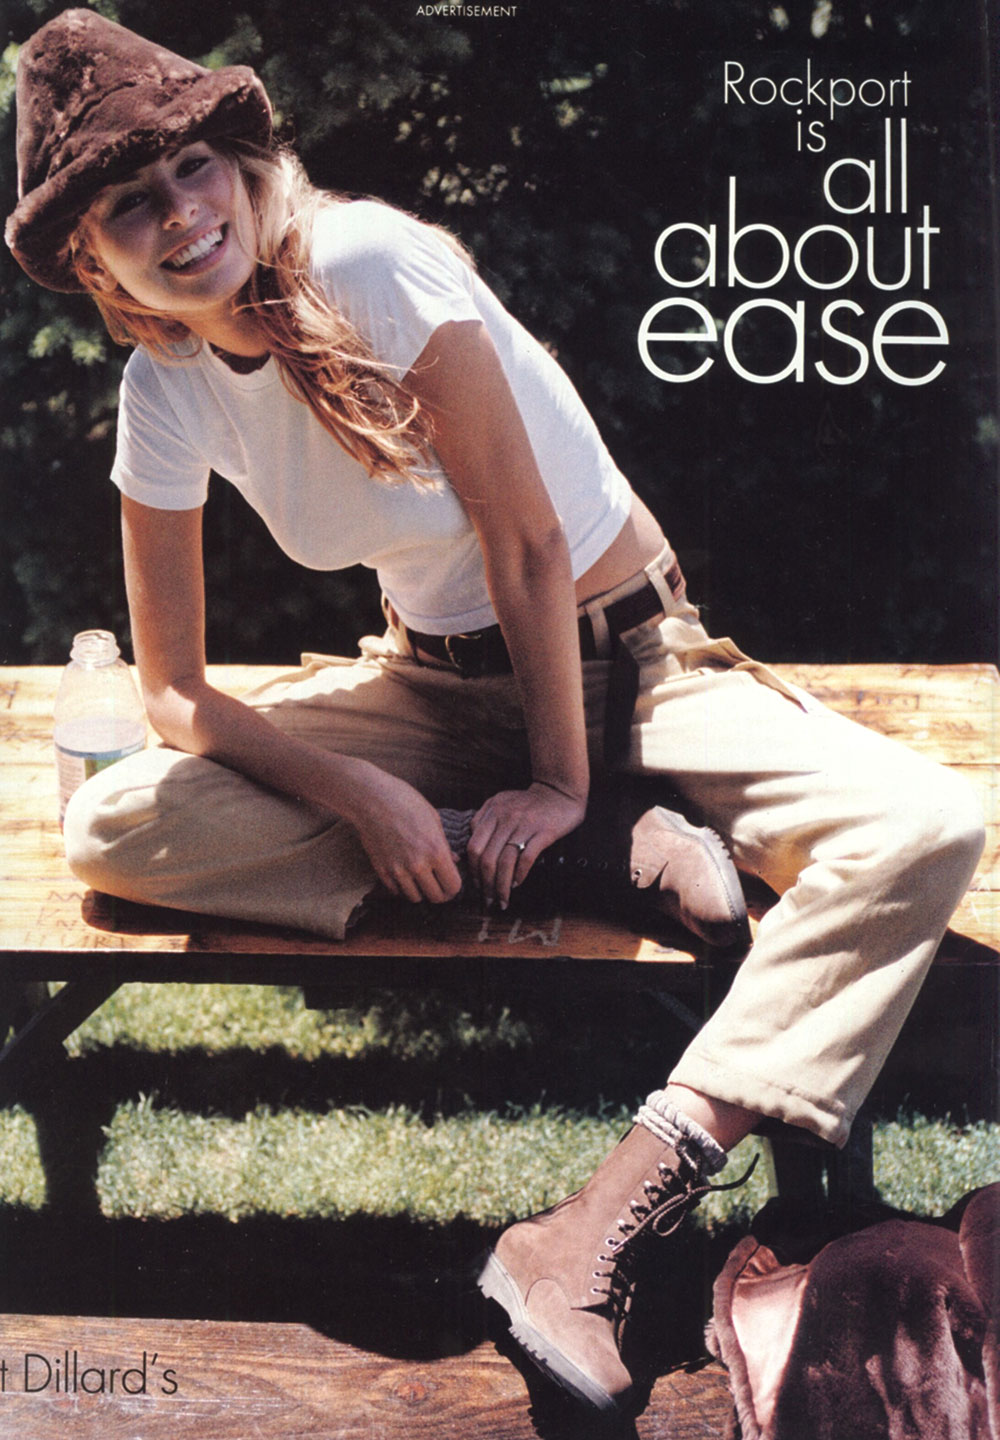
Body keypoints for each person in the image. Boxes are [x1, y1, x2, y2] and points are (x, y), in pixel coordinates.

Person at [7, 9, 985, 1419]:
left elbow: (526, 543)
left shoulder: (363, 262)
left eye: (191, 171)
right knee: (113, 828)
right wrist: (370, 795)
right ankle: (589, 854)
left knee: (922, 826)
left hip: (628, 666)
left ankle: (601, 1217)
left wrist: (564, 780)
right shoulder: (162, 389)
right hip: (431, 689)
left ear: (239, 164)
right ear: (92, 258)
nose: (179, 216)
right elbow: (171, 690)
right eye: (129, 204)